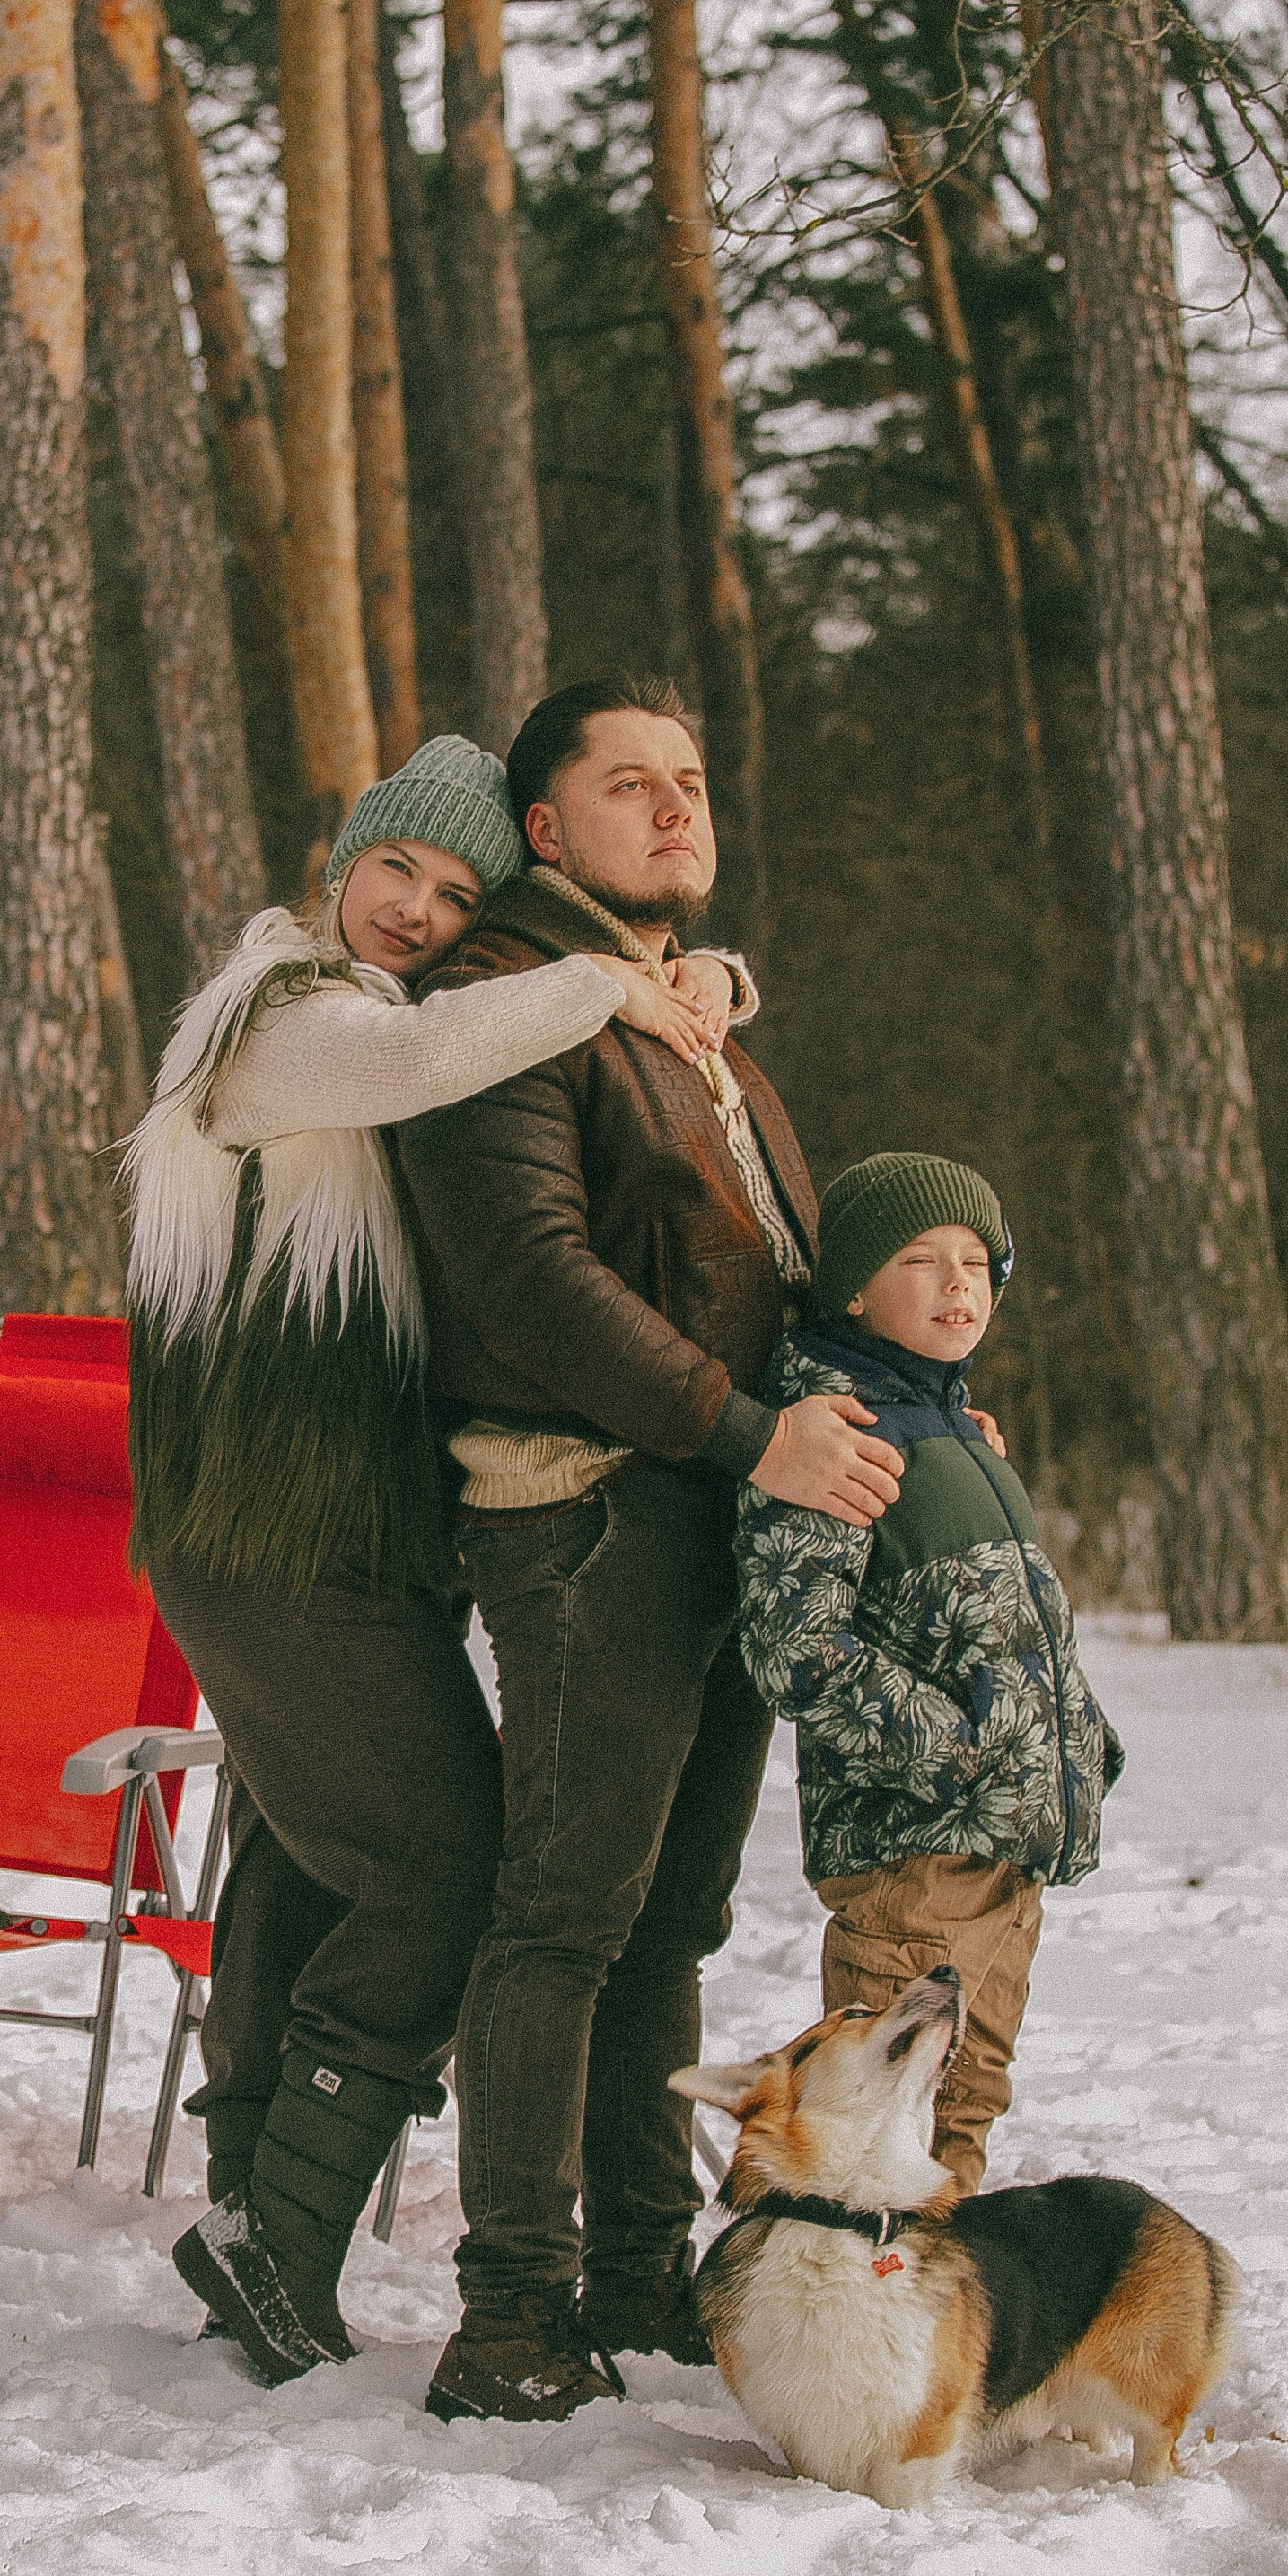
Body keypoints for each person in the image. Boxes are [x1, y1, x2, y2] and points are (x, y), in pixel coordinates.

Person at [127, 733, 743, 2385]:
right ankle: (275, 2230)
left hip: (339, 1542)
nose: (413, 910)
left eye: (455, 893)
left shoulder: (397, 1035)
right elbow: (431, 1056)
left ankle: (257, 2216)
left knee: (315, 1858)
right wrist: (615, 983)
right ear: (336, 870)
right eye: (394, 871)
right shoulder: (276, 1024)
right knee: (444, 1864)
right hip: (269, 1545)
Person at [394, 672, 907, 2426]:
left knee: (666, 1913)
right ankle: (511, 2312)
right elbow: (528, 1277)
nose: (674, 806)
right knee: (560, 1914)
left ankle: (634, 2268)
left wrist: (899, 1400)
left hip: (720, 1514)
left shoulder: (669, 1007)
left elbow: (764, 1255)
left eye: (686, 779)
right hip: (592, 1506)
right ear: (543, 830)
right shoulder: (500, 1008)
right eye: (628, 785)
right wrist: (749, 1427)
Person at [732, 1155, 1121, 2193]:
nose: (959, 1284)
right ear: (853, 1290)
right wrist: (958, 1751)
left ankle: (938, 2336)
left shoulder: (953, 1425)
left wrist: (1079, 1740)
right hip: (915, 1854)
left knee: (965, 2100)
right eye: (920, 1259)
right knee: (875, 2128)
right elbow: (794, 1646)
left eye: (975, 1261)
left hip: (1001, 1849)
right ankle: (845, 2318)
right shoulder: (834, 1429)